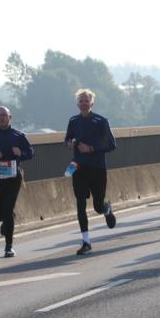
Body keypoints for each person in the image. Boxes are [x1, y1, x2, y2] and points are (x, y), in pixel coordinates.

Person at [65, 88, 117, 255]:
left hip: (97, 168)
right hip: (79, 168)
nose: (84, 103)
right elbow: (67, 138)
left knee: (97, 206)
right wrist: (69, 143)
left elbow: (111, 145)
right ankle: (86, 241)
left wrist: (91, 148)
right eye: (81, 101)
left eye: (86, 100)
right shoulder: (73, 120)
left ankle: (106, 209)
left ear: (92, 103)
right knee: (80, 204)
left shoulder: (100, 121)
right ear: (77, 103)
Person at [0, 106, 34, 257]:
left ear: (10, 117)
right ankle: (8, 219)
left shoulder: (18, 135)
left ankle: (8, 246)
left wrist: (20, 154)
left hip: (13, 179)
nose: (1, 118)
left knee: (8, 210)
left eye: (4, 115)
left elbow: (30, 153)